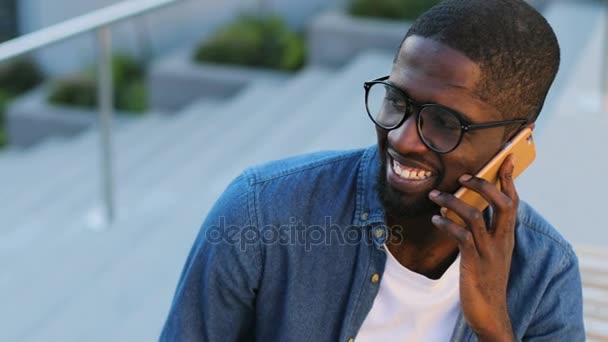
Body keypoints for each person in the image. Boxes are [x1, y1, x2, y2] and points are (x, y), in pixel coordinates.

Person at [160, 0, 585, 340]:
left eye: (443, 123)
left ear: (514, 143)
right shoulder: (262, 214)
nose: (402, 138)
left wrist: (494, 328)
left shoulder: (545, 273)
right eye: (397, 101)